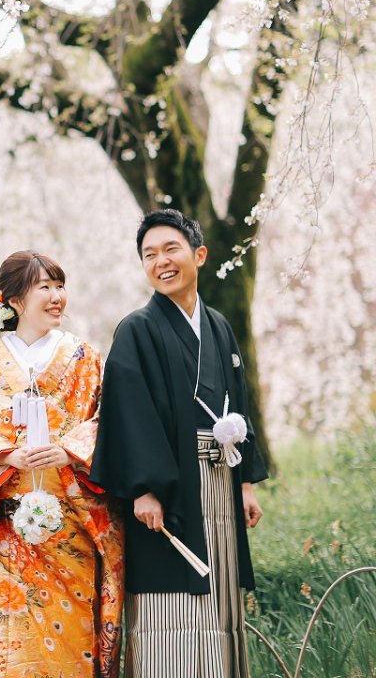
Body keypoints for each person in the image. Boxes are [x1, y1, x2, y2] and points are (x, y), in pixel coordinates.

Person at [89, 209, 267, 677]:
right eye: (149, 255)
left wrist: (246, 481)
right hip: (168, 492)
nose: (161, 261)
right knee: (169, 610)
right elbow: (128, 414)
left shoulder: (219, 326)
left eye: (171, 249)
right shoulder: (136, 330)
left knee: (219, 597)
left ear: (199, 255)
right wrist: (144, 489)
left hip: (220, 481)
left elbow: (238, 404)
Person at [0, 250, 123, 678]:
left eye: (60, 286)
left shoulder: (85, 358)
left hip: (71, 526)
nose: (57, 296)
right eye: (44, 287)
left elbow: (113, 420)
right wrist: (6, 455)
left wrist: (70, 451)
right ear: (15, 300)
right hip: (3, 531)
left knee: (71, 642)